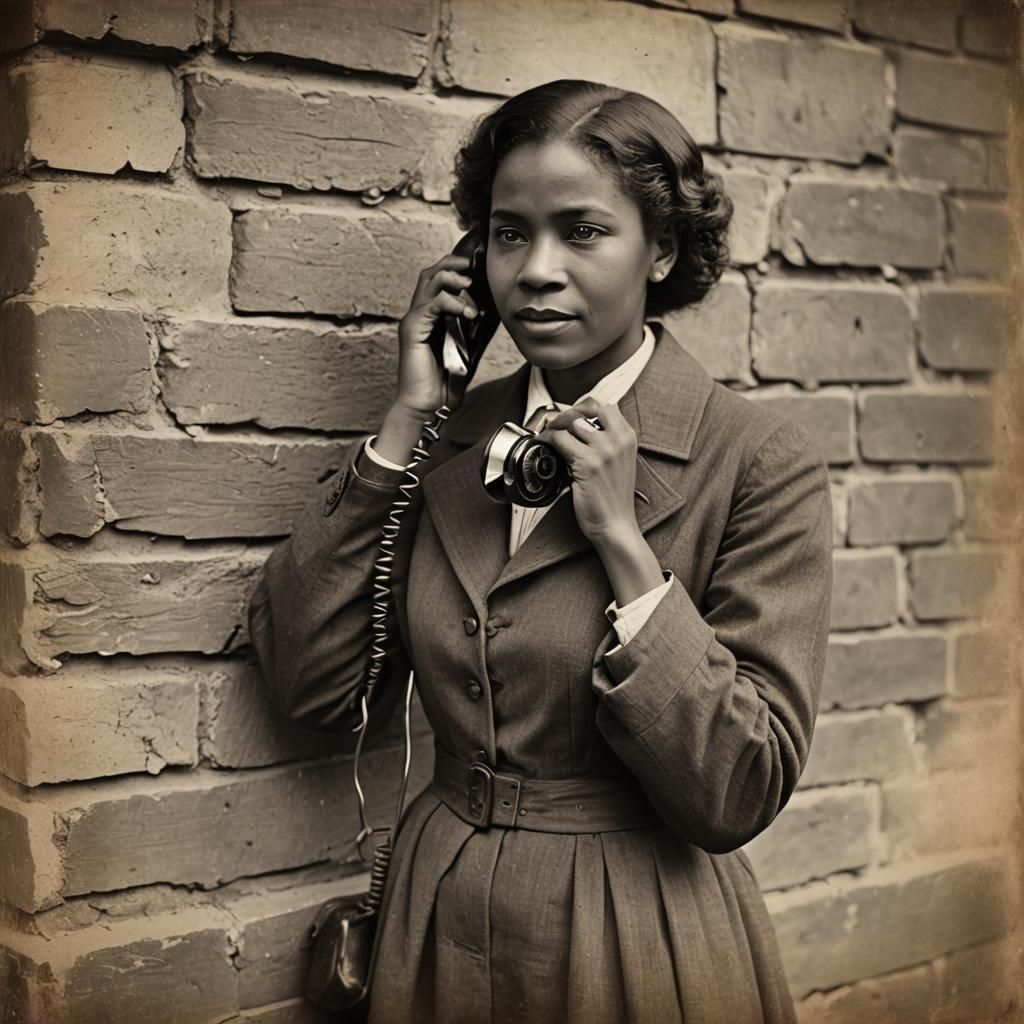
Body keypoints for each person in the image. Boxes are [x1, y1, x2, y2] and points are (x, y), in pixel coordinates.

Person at [247, 78, 833, 1024]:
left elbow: (740, 787)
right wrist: (407, 421)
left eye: (584, 231)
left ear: (663, 249)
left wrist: (622, 542)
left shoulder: (757, 461)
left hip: (634, 938)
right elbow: (311, 685)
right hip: (437, 921)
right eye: (509, 233)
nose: (536, 270)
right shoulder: (453, 435)